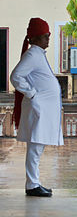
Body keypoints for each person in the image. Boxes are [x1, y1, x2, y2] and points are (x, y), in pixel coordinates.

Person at [10, 18, 64, 197]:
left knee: (37, 148)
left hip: (42, 110)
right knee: (35, 148)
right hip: (38, 108)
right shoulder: (33, 54)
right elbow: (16, 76)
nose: (48, 38)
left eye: (48, 35)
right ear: (34, 38)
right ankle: (32, 185)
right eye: (44, 36)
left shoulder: (38, 54)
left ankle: (34, 182)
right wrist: (32, 93)